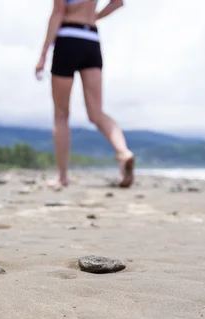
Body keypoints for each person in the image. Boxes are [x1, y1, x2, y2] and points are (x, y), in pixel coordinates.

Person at [35, 0, 135, 189]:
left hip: (68, 37)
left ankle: (62, 177)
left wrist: (42, 56)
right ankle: (123, 152)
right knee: (97, 113)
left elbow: (57, 13)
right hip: (91, 39)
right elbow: (118, 2)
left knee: (61, 114)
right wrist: (95, 16)